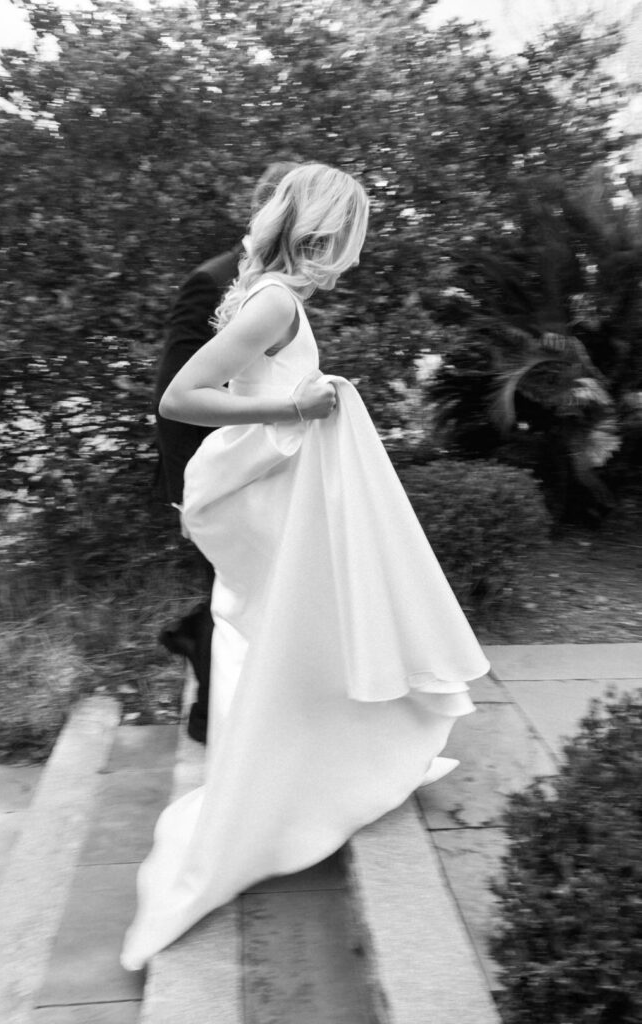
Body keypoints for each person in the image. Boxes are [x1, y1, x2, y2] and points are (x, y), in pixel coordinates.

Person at [121, 163, 489, 971]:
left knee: (297, 637)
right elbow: (180, 397)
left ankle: (301, 773)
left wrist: (309, 393)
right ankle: (291, 788)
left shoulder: (270, 291)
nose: (358, 250)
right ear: (333, 228)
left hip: (282, 491)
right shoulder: (277, 299)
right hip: (272, 498)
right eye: (356, 231)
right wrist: (294, 405)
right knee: (299, 636)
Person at [154, 161, 299, 742]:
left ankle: (201, 655)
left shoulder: (281, 286)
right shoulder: (213, 281)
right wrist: (185, 496)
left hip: (261, 476)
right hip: (217, 480)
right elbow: (174, 393)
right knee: (237, 597)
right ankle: (212, 722)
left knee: (244, 596)